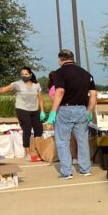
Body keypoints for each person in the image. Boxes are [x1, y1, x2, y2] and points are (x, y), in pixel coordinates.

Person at [45, 49, 97, 179]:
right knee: (82, 141)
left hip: (65, 110)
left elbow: (60, 92)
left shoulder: (60, 72)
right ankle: (85, 169)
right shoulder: (86, 74)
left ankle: (67, 172)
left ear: (60, 60)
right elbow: (94, 95)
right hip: (82, 110)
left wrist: (52, 112)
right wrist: (89, 111)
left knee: (63, 141)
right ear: (72, 58)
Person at [0, 67, 45, 160]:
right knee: (27, 129)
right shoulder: (17, 84)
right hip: (22, 109)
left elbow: (41, 99)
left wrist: (42, 110)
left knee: (39, 130)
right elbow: (3, 89)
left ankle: (38, 150)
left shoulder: (36, 85)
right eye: (22, 74)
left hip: (35, 110)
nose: (24, 76)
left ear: (30, 74)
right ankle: (28, 154)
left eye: (26, 74)